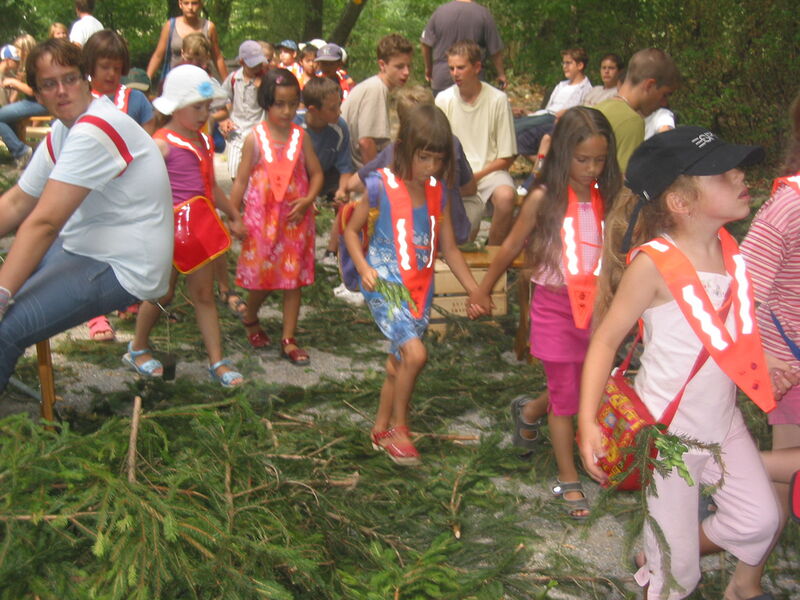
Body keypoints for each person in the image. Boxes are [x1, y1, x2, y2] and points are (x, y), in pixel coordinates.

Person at [578, 127, 793, 599]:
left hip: (722, 424)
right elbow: (605, 341)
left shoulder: (731, 253)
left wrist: (767, 359)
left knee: (759, 521)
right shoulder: (654, 264)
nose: (741, 176)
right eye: (723, 173)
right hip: (668, 436)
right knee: (678, 577)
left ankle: (670, 553)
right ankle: (665, 566)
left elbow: (726, 337)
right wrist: (587, 421)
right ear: (680, 202)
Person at [0, 38, 172, 391]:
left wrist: (2, 293)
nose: (62, 90)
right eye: (50, 84)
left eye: (70, 78)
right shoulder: (63, 131)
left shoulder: (96, 129)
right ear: (38, 94)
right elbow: (17, 202)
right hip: (86, 245)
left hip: (125, 265)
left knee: (6, 328)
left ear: (85, 79)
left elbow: (44, 223)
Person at [475, 106, 621, 518]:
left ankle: (529, 411)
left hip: (596, 309)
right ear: (561, 154)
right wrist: (483, 289)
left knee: (582, 383)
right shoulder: (543, 198)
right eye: (582, 159)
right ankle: (568, 477)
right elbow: (510, 246)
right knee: (566, 398)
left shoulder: (607, 196)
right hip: (555, 307)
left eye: (599, 160)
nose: (591, 169)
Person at [343, 104, 490, 465]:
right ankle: (400, 429)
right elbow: (349, 230)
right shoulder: (380, 187)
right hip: (385, 283)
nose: (431, 167)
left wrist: (474, 288)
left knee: (399, 363)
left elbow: (449, 248)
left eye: (438, 160)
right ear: (404, 147)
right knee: (416, 354)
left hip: (418, 289)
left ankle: (380, 430)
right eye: (424, 157)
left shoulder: (438, 193)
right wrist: (363, 267)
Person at [124, 65, 245, 387]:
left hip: (198, 233)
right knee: (160, 293)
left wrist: (233, 214)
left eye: (206, 107)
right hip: (168, 233)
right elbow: (137, 183)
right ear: (175, 106)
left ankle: (217, 361)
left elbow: (211, 187)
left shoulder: (204, 141)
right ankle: (137, 348)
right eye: (197, 107)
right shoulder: (161, 143)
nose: (204, 114)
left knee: (204, 294)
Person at [738, 92, 800, 595]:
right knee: (781, 476)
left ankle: (745, 583)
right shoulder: (789, 205)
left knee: (781, 488)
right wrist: (763, 356)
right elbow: (744, 289)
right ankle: (726, 465)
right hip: (791, 364)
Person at [230, 69, 323, 364]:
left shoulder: (301, 138)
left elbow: (317, 173)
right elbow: (241, 181)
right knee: (264, 278)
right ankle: (250, 315)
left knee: (292, 281)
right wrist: (233, 216)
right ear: (266, 103)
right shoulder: (254, 139)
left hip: (295, 222)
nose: (287, 111)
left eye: (293, 104)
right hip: (262, 224)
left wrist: (308, 199)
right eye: (279, 104)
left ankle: (288, 339)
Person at [81, 29, 157, 341]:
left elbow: (150, 139)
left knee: (126, 244)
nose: (111, 74)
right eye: (104, 67)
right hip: (92, 186)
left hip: (127, 186)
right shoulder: (80, 100)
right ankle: (93, 312)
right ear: (90, 66)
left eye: (117, 67)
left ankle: (124, 297)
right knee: (95, 247)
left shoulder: (135, 99)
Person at [435, 40, 516, 244]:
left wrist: (475, 177)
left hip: (490, 172)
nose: (455, 73)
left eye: (461, 68)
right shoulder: (443, 100)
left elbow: (506, 157)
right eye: (451, 68)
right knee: (464, 234)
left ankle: (494, 253)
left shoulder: (497, 99)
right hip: (457, 173)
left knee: (506, 197)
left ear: (477, 67)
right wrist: (463, 179)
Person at [594, 48, 679, 171]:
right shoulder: (632, 121)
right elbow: (625, 180)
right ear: (649, 85)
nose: (664, 103)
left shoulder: (597, 108)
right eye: (664, 95)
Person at [341, 34, 412, 169]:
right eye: (399, 67)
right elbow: (366, 142)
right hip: (354, 170)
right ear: (382, 65)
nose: (406, 72)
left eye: (408, 66)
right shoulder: (376, 89)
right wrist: (376, 177)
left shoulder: (375, 87)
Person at [515, 48, 593, 166]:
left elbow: (580, 111)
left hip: (558, 121)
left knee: (514, 130)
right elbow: (549, 109)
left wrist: (565, 113)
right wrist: (528, 113)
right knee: (510, 124)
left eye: (568, 63)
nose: (564, 67)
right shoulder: (561, 85)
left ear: (580, 65)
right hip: (545, 116)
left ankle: (543, 168)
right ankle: (543, 167)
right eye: (563, 63)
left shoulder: (586, 89)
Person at [420, 0, 506, 95]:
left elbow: (425, 44)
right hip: (472, 80)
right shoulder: (483, 14)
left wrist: (429, 69)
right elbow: (495, 50)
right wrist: (501, 74)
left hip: (442, 78)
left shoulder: (439, 12)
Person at [216, 40, 267, 180]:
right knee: (235, 172)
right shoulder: (233, 78)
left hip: (258, 132)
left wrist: (263, 88)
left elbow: (272, 102)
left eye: (259, 63)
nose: (257, 68)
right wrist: (224, 119)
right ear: (242, 62)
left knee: (257, 174)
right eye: (253, 65)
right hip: (236, 133)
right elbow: (221, 98)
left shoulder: (266, 79)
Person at [146, 0, 227, 85]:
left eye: (194, 3)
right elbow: (158, 56)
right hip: (174, 80)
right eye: (186, 3)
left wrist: (227, 83)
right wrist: (147, 80)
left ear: (200, 4)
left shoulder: (208, 27)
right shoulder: (170, 26)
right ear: (180, 4)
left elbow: (217, 57)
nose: (190, 7)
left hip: (200, 82)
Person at [0, 34, 43, 169]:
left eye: (18, 49)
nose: (16, 53)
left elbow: (34, 91)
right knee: (7, 116)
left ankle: (21, 152)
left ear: (25, 50)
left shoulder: (36, 65)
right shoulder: (28, 66)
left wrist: (15, 83)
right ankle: (19, 152)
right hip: (32, 102)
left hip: (40, 103)